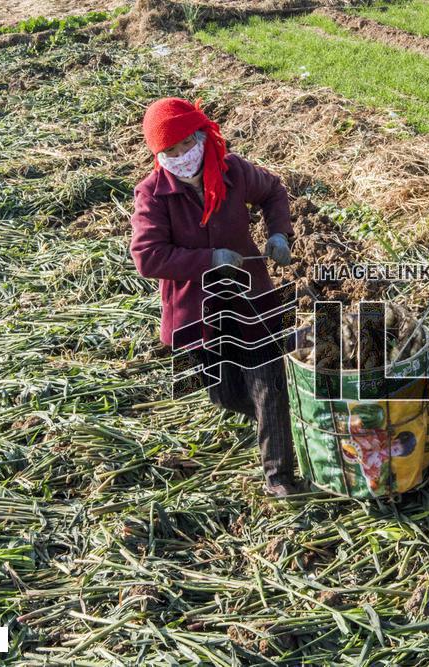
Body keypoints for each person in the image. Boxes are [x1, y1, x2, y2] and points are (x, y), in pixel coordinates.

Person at [129, 97, 300, 497]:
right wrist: (209, 260)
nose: (182, 157)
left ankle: (279, 476)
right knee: (225, 394)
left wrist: (278, 233)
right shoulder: (153, 194)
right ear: (158, 155)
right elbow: (147, 256)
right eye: (170, 151)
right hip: (198, 314)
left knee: (267, 385)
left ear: (202, 137)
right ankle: (279, 412)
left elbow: (273, 191)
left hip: (251, 299)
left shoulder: (232, 171)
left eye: (187, 145)